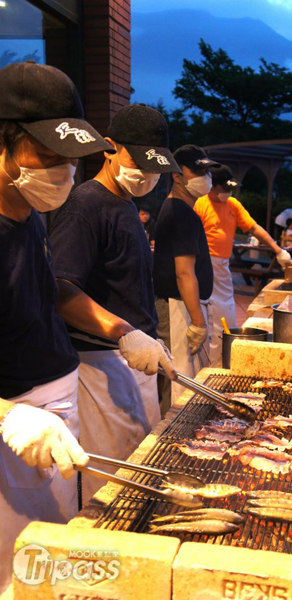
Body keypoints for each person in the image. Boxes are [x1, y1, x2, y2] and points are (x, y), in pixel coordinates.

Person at [0, 61, 115, 593]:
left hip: (53, 411)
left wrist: (123, 333)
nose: (63, 173)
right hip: (15, 431)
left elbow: (52, 290)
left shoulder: (30, 211)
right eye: (47, 157)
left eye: (70, 160)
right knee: (15, 573)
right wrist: (10, 416)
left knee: (52, 559)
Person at [49, 104, 178, 504]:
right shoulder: (84, 204)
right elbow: (60, 289)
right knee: (113, 489)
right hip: (101, 367)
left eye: (155, 166)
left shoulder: (124, 205)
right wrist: (126, 333)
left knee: (138, 473)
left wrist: (149, 336)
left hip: (135, 359)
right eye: (137, 160)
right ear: (109, 148)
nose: (147, 174)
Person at [194, 164, 292, 366]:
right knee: (212, 316)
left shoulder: (233, 204)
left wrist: (278, 250)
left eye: (230, 189)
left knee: (227, 314)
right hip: (204, 264)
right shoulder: (200, 204)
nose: (227, 193)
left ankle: (225, 359)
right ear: (212, 186)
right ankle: (211, 364)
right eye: (224, 189)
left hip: (222, 264)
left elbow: (254, 228)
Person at [154, 145, 218, 413]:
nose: (204, 178)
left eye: (206, 171)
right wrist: (199, 322)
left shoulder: (179, 209)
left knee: (178, 378)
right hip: (176, 307)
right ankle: (170, 442)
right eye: (197, 171)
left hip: (179, 306)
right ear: (177, 175)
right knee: (178, 381)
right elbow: (184, 272)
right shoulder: (180, 212)